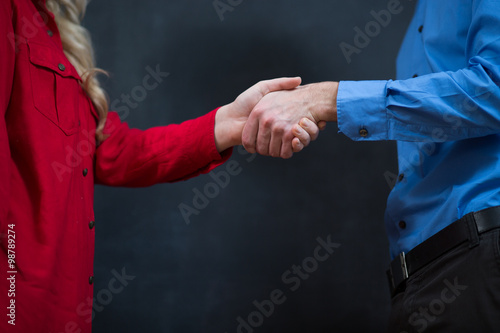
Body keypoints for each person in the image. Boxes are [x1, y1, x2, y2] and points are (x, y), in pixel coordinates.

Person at [0, 1, 322, 332]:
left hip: (62, 308)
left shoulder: (49, 27)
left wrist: (228, 124)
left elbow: (114, 152)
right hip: (14, 305)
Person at [242, 0, 500, 331]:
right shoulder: (422, 18)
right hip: (427, 274)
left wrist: (326, 99)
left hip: (481, 254)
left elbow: (495, 88)